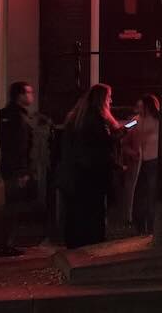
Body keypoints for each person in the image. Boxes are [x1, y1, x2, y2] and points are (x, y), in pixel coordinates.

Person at [58, 83, 121, 249]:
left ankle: (74, 243)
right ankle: (92, 245)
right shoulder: (97, 120)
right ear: (102, 100)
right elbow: (101, 147)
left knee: (75, 212)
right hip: (92, 176)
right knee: (93, 213)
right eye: (108, 98)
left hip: (74, 175)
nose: (111, 101)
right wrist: (117, 138)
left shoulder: (76, 118)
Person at [0, 81, 35, 257]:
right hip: (15, 168)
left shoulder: (8, 116)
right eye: (28, 92)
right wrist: (22, 171)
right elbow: (19, 146)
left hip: (8, 166)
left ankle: (6, 243)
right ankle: (6, 244)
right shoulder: (18, 118)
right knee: (13, 207)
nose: (31, 96)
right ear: (20, 95)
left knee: (11, 205)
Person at [131, 93, 160, 235]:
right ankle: (144, 226)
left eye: (141, 106)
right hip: (146, 161)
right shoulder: (138, 120)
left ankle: (149, 226)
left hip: (152, 160)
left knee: (149, 194)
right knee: (145, 194)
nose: (139, 109)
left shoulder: (155, 120)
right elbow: (126, 129)